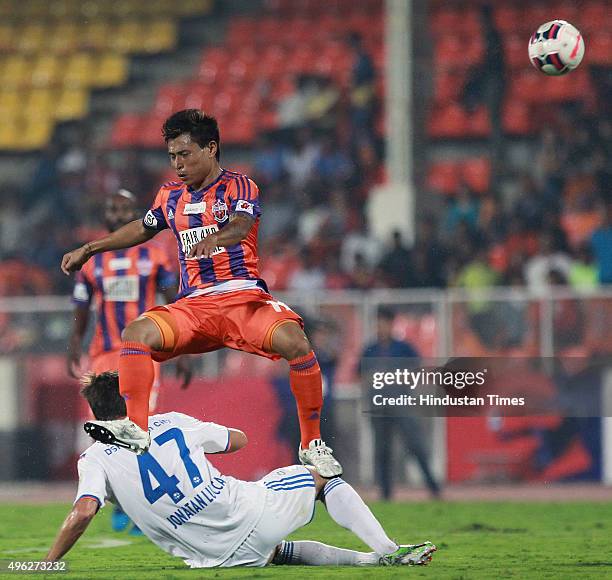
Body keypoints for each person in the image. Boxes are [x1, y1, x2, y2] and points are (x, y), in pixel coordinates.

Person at [60, 109, 342, 477]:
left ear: (211, 148)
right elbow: (142, 229)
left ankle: (312, 444)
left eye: (185, 154)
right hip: (194, 307)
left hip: (243, 301)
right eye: (172, 156)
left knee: (297, 344)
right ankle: (137, 427)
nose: (177, 164)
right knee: (137, 333)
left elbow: (241, 226)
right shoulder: (169, 195)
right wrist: (91, 248)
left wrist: (216, 238)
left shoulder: (240, 186)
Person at [45, 372, 436, 568]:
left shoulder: (93, 459)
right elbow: (239, 440)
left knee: (277, 552)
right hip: (245, 511)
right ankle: (387, 551)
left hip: (211, 558)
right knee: (321, 475)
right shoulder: (171, 422)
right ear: (131, 398)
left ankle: (366, 562)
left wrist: (48, 563)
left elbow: (83, 511)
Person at [68, 188, 192, 534]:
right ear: (106, 215)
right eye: (113, 208)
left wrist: (180, 349)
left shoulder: (156, 255)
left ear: (134, 213)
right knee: (103, 431)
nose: (119, 213)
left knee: (140, 427)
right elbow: (80, 307)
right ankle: (120, 503)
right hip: (103, 354)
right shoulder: (91, 259)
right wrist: (72, 345)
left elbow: (173, 305)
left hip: (144, 352)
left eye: (125, 208)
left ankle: (144, 504)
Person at [362, 308, 441, 499]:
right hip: (378, 405)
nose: (381, 327)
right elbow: (361, 373)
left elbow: (417, 370)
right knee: (382, 449)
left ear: (391, 324)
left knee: (415, 444)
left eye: (384, 323)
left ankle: (433, 487)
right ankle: (385, 493)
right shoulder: (369, 349)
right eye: (378, 323)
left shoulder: (403, 348)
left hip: (400, 402)